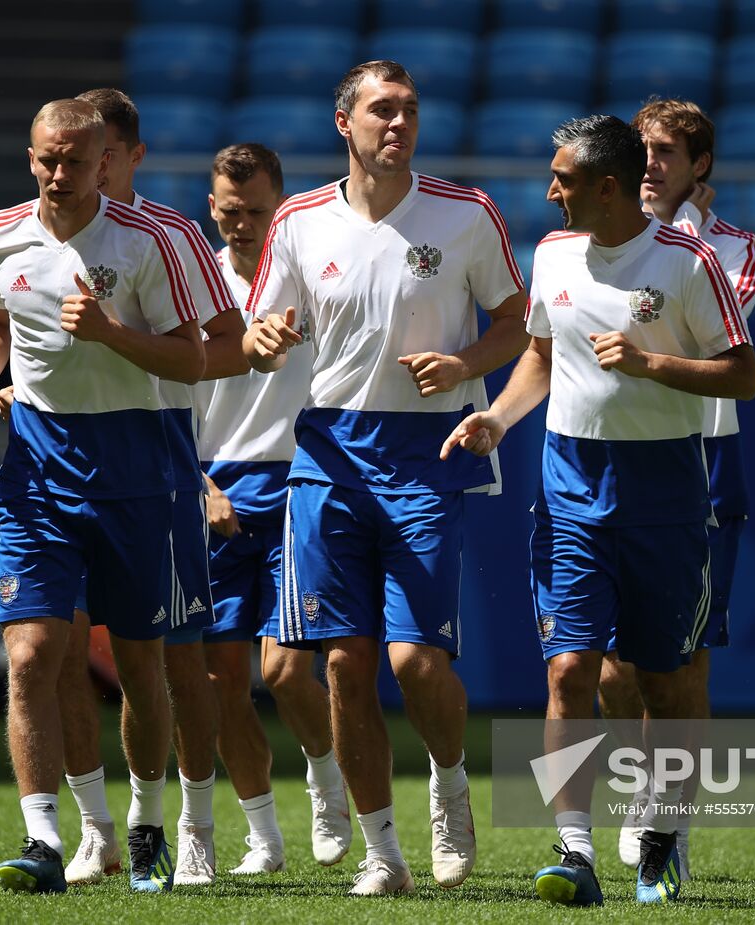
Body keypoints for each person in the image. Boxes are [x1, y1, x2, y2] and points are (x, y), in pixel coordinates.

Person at [443, 114, 755, 906]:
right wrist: (499, 418)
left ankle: (662, 833)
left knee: (666, 681)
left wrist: (654, 362)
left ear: (607, 188)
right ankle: (575, 848)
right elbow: (541, 356)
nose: (549, 191)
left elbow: (743, 374)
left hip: (666, 493)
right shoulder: (550, 256)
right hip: (571, 487)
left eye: (564, 179)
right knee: (569, 668)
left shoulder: (687, 261)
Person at [244, 60, 529, 895]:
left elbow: (518, 322)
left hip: (427, 454)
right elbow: (263, 325)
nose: (397, 123)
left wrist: (466, 361)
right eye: (381, 110)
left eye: (408, 110)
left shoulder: (467, 213)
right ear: (346, 123)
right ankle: (382, 852)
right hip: (328, 451)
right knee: (338, 663)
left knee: (415, 663)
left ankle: (448, 783)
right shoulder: (298, 219)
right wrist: (266, 341)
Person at [0, 98, 205, 894]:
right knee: (30, 655)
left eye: (75, 161)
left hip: (136, 470)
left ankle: (146, 822)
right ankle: (44, 838)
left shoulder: (149, 241)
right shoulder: (0, 234)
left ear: (106, 162)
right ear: (30, 157)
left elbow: (194, 359)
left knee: (138, 662)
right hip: (35, 469)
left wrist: (110, 333)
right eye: (45, 160)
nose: (59, 174)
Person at [46, 86, 245, 890]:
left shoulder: (171, 236)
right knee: (53, 647)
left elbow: (225, 349)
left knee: (175, 658)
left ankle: (192, 824)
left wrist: (143, 361)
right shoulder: (29, 231)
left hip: (159, 463)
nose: (83, 168)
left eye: (104, 152)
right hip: (58, 459)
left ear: (127, 155)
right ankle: (95, 828)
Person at [597, 97, 755, 877]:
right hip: (612, 457)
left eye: (667, 150)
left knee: (686, 657)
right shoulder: (596, 238)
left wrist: (684, 237)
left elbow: (718, 328)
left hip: (702, 460)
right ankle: (646, 792)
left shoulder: (738, 248)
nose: (652, 161)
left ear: (699, 165)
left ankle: (668, 824)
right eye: (642, 148)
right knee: (611, 667)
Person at [198, 142, 351, 875]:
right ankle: (263, 836)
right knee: (219, 682)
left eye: (256, 211)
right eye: (230, 211)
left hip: (298, 482)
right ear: (212, 207)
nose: (242, 225)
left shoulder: (314, 274)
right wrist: (199, 488)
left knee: (286, 670)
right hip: (212, 488)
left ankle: (326, 777)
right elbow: (167, 401)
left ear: (280, 208)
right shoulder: (190, 283)